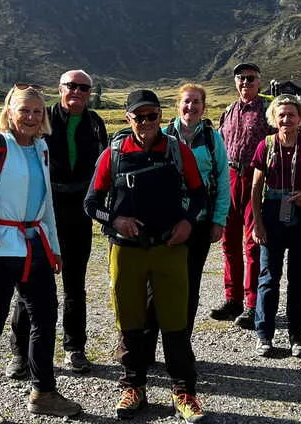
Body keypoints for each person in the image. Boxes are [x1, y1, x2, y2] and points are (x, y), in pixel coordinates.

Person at [84, 90, 211, 423]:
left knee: (175, 322)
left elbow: (199, 195)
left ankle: (185, 393)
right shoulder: (113, 153)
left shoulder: (177, 150)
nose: (145, 123)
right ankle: (133, 387)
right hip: (127, 252)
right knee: (131, 323)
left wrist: (187, 222)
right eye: (138, 117)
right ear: (128, 119)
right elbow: (91, 203)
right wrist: (115, 219)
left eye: (151, 116)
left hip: (170, 248)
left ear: (160, 115)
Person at [0, 85, 82, 423]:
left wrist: (54, 249)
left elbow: (47, 208)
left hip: (35, 247)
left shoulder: (41, 149)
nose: (31, 117)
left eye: (37, 111)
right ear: (10, 112)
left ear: (44, 115)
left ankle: (43, 392)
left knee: (44, 319)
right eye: (24, 110)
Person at [8, 70, 107, 377]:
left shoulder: (96, 123)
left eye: (83, 87)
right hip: (41, 214)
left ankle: (74, 348)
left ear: (89, 92)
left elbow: (104, 168)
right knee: (31, 282)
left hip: (80, 213)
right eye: (71, 86)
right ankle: (21, 353)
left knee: (75, 284)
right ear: (60, 88)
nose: (77, 91)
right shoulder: (42, 118)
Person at [146, 83, 232, 349]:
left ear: (203, 107)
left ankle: (181, 345)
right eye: (186, 101)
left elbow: (222, 180)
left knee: (190, 283)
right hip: (165, 222)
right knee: (156, 284)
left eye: (196, 102)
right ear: (177, 105)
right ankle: (147, 345)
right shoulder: (162, 134)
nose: (191, 107)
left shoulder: (211, 137)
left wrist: (219, 220)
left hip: (200, 221)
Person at [250, 95, 301, 357]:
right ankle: (264, 334)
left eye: (291, 114)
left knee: (299, 278)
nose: (286, 119)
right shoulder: (265, 145)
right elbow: (256, 187)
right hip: (271, 213)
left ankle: (297, 335)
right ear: (273, 118)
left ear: (299, 117)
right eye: (281, 115)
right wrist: (257, 223)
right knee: (268, 277)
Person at [212, 62, 272, 329]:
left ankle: (251, 304)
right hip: (229, 177)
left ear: (260, 82)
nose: (245, 83)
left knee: (252, 243)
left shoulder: (268, 111)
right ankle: (232, 299)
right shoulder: (228, 111)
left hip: (255, 177)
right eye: (240, 78)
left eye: (250, 78)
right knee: (229, 242)